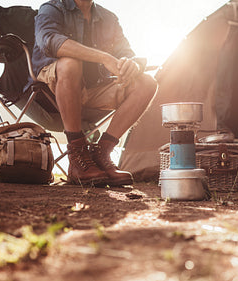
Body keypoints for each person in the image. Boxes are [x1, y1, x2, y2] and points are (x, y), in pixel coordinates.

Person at [32, 0, 158, 186]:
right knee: (70, 63)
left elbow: (127, 53)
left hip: (95, 87)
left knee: (147, 82)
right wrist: (104, 57)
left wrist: (133, 65)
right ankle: (77, 155)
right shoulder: (53, 8)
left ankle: (102, 153)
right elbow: (50, 41)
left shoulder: (109, 18)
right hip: (52, 87)